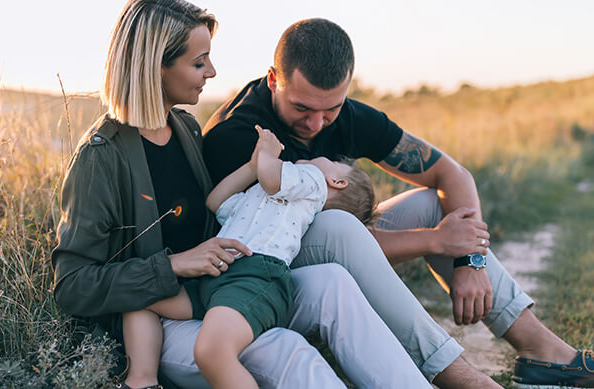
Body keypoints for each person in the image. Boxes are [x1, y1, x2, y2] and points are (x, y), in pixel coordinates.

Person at [202, 17, 594, 389]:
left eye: (331, 109)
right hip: (261, 274)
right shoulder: (240, 137)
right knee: (343, 229)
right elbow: (310, 243)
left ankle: (543, 354)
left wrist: (469, 258)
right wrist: (436, 241)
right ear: (273, 78)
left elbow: (451, 174)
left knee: (434, 203)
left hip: (336, 244)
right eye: (302, 108)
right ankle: (459, 376)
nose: (317, 123)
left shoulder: (342, 112)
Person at [52, 1, 434, 388]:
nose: (212, 72)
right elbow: (73, 285)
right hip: (162, 320)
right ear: (155, 67)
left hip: (227, 286)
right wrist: (176, 265)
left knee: (333, 283)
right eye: (199, 63)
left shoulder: (184, 128)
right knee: (284, 350)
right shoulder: (101, 157)